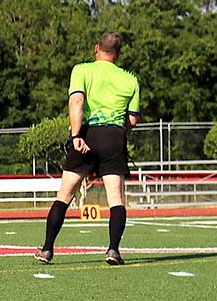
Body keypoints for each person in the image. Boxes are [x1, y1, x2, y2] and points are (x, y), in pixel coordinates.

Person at [37, 33, 140, 266]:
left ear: (96, 48)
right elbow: (132, 120)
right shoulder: (130, 79)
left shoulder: (81, 70)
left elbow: (77, 102)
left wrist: (75, 136)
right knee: (116, 198)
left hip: (86, 134)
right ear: (118, 53)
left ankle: (47, 249)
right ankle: (113, 250)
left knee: (65, 194)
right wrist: (114, 131)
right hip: (114, 136)